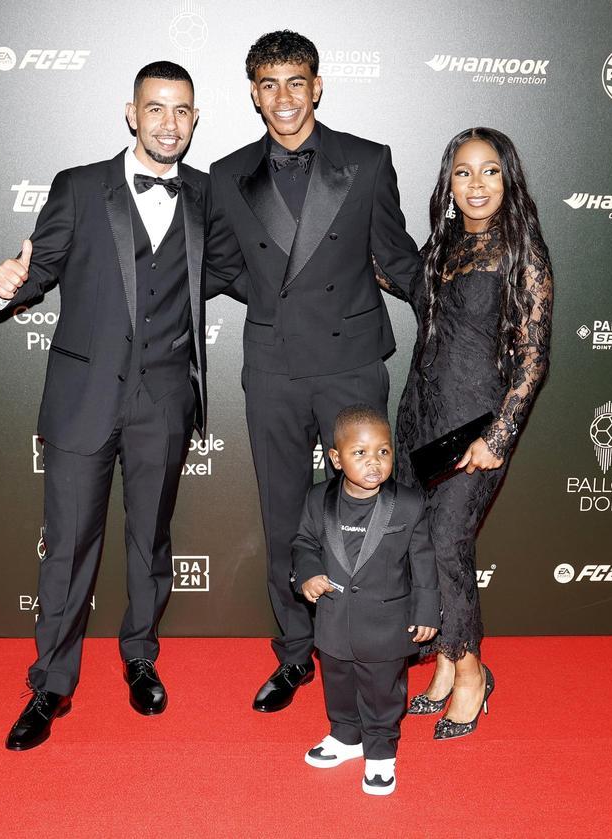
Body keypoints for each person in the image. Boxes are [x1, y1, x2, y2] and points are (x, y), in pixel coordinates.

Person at [0, 61, 212, 750]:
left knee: (150, 541)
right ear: (130, 111)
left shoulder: (209, 195)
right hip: (84, 397)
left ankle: (139, 654)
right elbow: (41, 264)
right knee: (68, 548)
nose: (168, 123)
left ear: (194, 119)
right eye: (156, 109)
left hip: (165, 398)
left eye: (181, 111)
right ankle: (50, 683)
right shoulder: (80, 186)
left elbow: (244, 268)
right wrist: (10, 285)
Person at [205, 30, 422, 712]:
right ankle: (296, 652)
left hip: (350, 364)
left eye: (296, 82)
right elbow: (218, 264)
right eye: (269, 85)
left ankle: (369, 642)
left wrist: (464, 302)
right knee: (282, 515)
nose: (284, 98)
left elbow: (397, 254)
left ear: (318, 86)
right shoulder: (227, 174)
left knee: (364, 514)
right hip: (273, 366)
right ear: (253, 94)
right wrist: (272, 299)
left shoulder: (366, 160)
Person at [382, 127, 553, 739]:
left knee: (451, 543)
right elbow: (411, 290)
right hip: (421, 415)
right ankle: (447, 664)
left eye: (489, 172)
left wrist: (500, 437)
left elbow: (534, 359)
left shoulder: (522, 253)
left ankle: (473, 675)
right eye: (463, 172)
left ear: (509, 180)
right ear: (448, 183)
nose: (476, 185)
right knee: (423, 546)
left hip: (476, 423)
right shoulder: (444, 243)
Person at [293, 405, 439, 795]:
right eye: (360, 453)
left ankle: (380, 753)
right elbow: (304, 543)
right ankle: (345, 738)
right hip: (334, 621)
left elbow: (423, 561)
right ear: (336, 459)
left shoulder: (408, 504)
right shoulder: (317, 499)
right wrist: (307, 573)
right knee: (337, 683)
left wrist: (426, 611)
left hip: (387, 625)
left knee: (382, 692)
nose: (374, 462)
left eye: (383, 451)